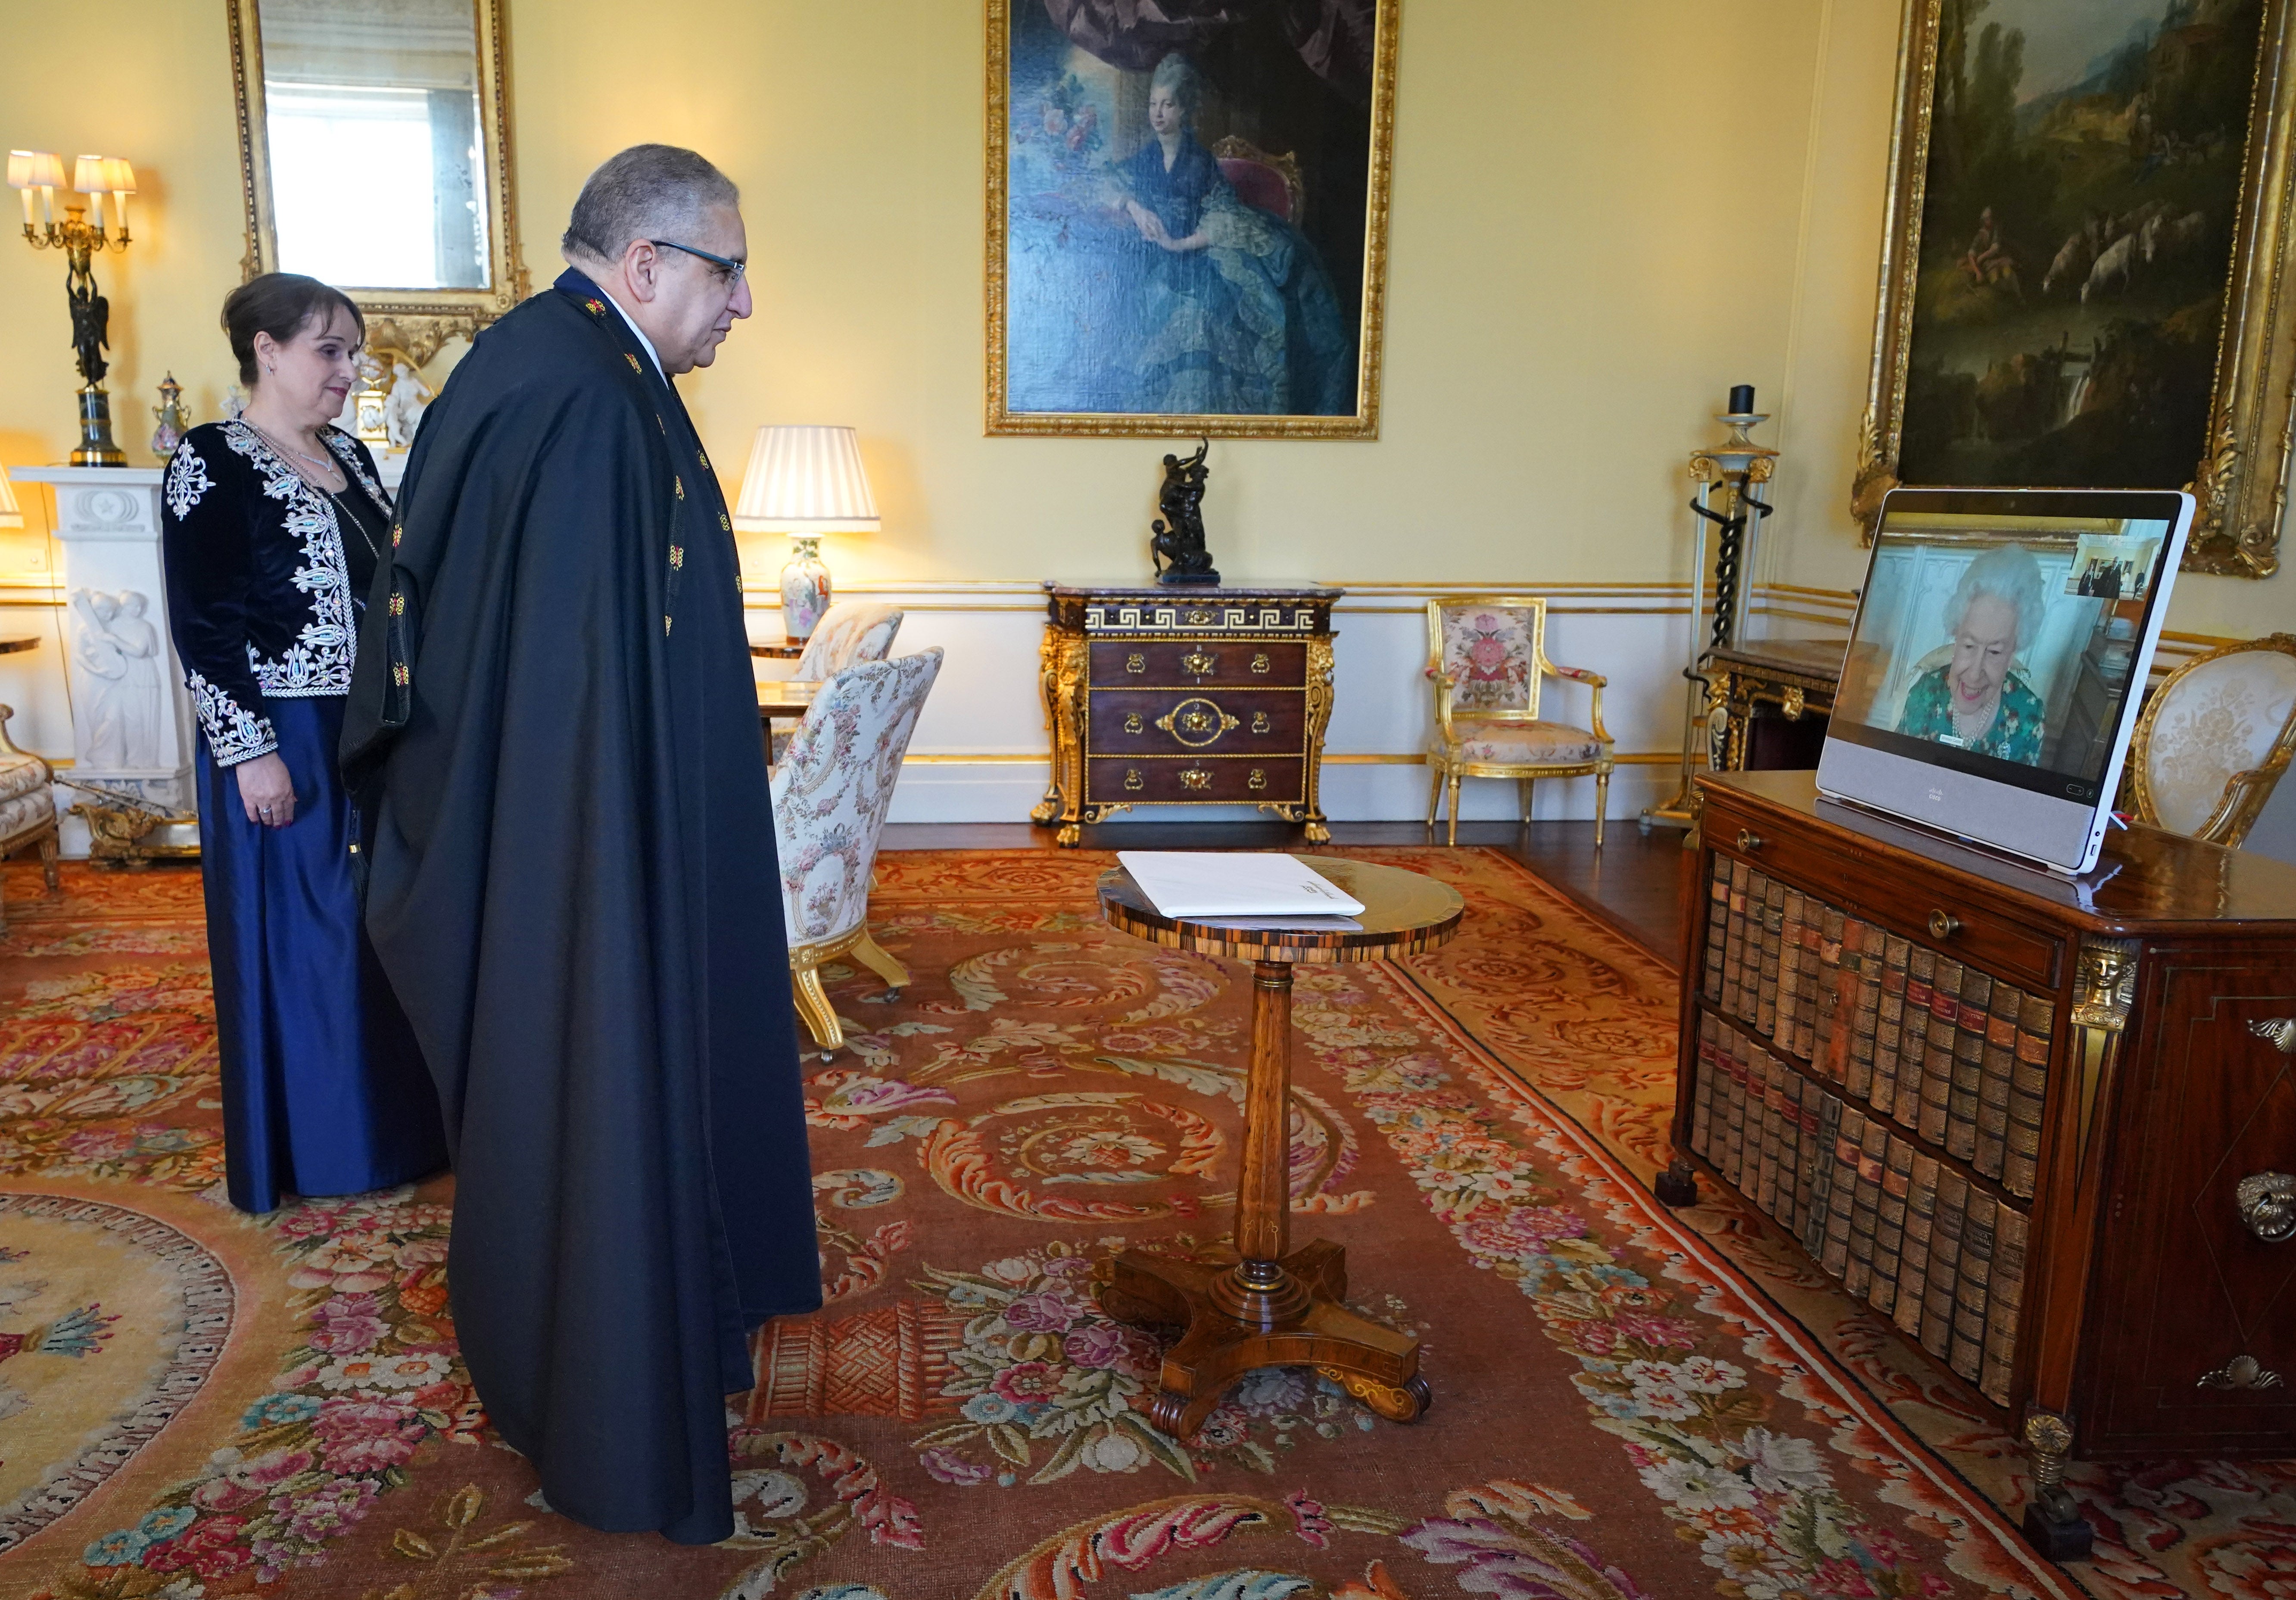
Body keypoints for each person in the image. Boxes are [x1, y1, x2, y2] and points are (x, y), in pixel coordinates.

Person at [340, 145, 821, 1543]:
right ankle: (614, 1403)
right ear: (647, 264)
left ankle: (669, 1322)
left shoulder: (581, 370)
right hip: (578, 869)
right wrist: (617, 878)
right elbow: (552, 689)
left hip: (593, 842)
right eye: (728, 272)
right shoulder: (578, 397)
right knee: (597, 1102)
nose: (744, 304)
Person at [159, 273, 446, 1215]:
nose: (350, 370)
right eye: (331, 350)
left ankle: (403, 1125)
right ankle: (330, 1144)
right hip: (283, 737)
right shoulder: (212, 459)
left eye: (353, 351)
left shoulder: (352, 456)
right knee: (311, 941)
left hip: (364, 732)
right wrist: (250, 752)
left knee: (378, 927)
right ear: (266, 350)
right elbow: (205, 624)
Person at [1114, 51, 1353, 415]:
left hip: (1197, 254)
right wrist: (1134, 206)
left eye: (1167, 105)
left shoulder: (1200, 162)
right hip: (1150, 255)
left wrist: (1178, 244)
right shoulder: (1145, 158)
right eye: (1152, 104)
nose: (1158, 114)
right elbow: (1112, 182)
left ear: (1184, 111)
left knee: (1200, 312)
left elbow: (1222, 218)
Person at [1895, 543, 2050, 765]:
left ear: (2013, 650)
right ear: (1956, 634)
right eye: (1969, 646)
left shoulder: (2028, 714)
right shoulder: (1924, 696)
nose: (1975, 673)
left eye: (1995, 652)